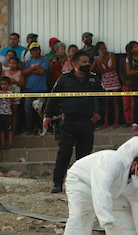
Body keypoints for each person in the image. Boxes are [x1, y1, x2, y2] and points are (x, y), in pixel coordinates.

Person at [44, 50, 103, 193]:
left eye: (88, 62)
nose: (87, 64)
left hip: (86, 123)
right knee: (64, 154)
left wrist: (100, 113)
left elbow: (102, 97)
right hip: (68, 123)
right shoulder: (64, 79)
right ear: (75, 64)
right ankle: (57, 183)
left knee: (84, 157)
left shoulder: (94, 79)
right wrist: (47, 115)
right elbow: (53, 98)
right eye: (83, 62)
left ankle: (82, 186)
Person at [22, 42, 49, 135]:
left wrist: (31, 70)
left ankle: (42, 129)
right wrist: (34, 68)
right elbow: (24, 72)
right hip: (29, 89)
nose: (35, 52)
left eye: (36, 49)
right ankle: (28, 129)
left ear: (39, 50)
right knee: (28, 110)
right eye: (33, 50)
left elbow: (42, 71)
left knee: (41, 111)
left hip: (41, 89)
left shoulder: (45, 59)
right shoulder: (29, 62)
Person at [94, 41, 121, 128]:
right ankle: (105, 122)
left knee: (115, 100)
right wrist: (99, 60)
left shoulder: (111, 55)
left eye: (105, 48)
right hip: (105, 82)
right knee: (106, 103)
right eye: (102, 49)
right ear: (98, 50)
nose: (104, 50)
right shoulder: (98, 58)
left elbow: (114, 66)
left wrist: (104, 71)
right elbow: (100, 70)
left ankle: (116, 121)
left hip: (114, 80)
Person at [0, 77, 15, 149]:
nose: (3, 86)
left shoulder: (10, 92)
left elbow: (13, 98)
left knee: (9, 129)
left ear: (9, 85)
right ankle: (2, 144)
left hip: (8, 113)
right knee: (1, 129)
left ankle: (10, 144)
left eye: (5, 84)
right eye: (2, 84)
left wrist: (6, 94)